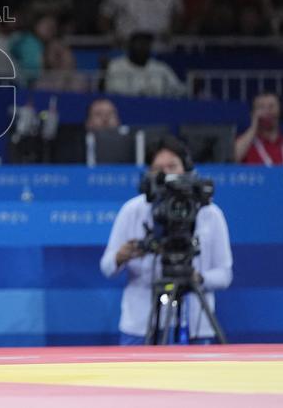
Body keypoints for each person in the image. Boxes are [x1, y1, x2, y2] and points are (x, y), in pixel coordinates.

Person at [100, 136, 233, 345]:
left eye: (173, 166)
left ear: (187, 169)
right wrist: (120, 256)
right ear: (149, 175)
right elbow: (107, 267)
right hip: (140, 326)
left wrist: (197, 279)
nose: (167, 174)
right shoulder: (133, 210)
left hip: (196, 328)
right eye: (159, 168)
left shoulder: (210, 213)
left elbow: (224, 275)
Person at [234, 91, 283, 166]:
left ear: (281, 112)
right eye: (261, 107)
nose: (266, 111)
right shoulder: (244, 144)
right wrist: (253, 126)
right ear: (253, 114)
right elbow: (232, 160)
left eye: (271, 106)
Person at [104, 32, 186, 98]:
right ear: (130, 46)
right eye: (139, 43)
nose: (143, 47)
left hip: (156, 110)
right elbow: (112, 91)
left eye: (146, 44)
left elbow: (179, 89)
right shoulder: (116, 65)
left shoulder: (161, 67)